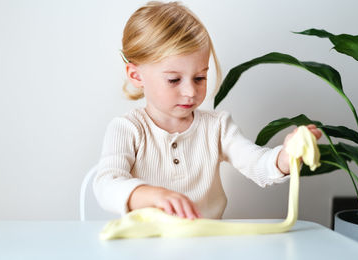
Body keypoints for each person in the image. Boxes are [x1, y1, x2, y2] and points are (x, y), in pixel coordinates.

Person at [93, 1, 321, 220]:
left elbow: (256, 164)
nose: (191, 91)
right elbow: (106, 184)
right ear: (136, 76)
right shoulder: (128, 129)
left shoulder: (218, 127)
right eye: (174, 80)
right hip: (145, 244)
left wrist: (285, 157)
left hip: (207, 242)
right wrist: (152, 195)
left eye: (200, 77)